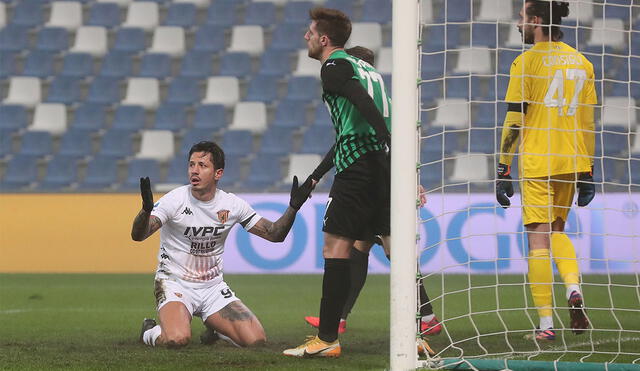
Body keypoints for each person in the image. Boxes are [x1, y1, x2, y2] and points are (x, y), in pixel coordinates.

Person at [283, 8, 433, 358]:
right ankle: (415, 335)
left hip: (357, 168)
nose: (305, 37)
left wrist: (390, 143)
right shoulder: (369, 69)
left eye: (310, 32)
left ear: (323, 39)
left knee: (335, 248)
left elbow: (363, 106)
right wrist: (402, 164)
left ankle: (325, 340)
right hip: (381, 168)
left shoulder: (334, 66)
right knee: (397, 249)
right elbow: (384, 115)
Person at [302, 46, 442, 338]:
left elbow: (391, 146)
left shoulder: (371, 106)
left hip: (378, 182)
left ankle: (425, 315)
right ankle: (340, 318)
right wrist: (315, 176)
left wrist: (410, 181)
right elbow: (346, 145)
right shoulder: (370, 110)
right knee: (361, 249)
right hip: (382, 178)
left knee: (389, 250)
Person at [133, 141, 313, 348]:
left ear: (218, 173)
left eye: (202, 165)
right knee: (177, 339)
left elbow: (274, 234)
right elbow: (139, 235)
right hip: (175, 283)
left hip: (213, 288)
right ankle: (150, 331)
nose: (195, 170)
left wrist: (293, 208)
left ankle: (218, 331)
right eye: (191, 164)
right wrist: (146, 210)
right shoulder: (174, 200)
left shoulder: (231, 204)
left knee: (256, 340)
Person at [496, 0, 596, 341]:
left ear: (536, 20)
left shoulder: (525, 62)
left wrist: (503, 166)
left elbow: (514, 118)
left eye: (522, 18)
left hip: (538, 161)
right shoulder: (582, 63)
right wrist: (589, 171)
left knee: (537, 241)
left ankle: (545, 326)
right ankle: (572, 288)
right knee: (558, 231)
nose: (518, 23)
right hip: (571, 161)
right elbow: (587, 123)